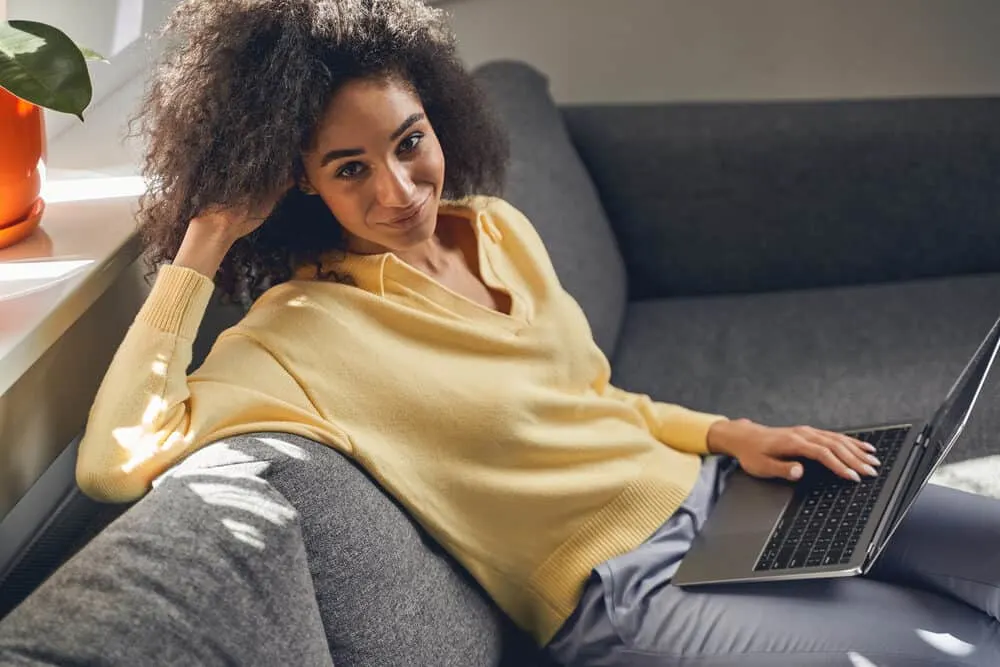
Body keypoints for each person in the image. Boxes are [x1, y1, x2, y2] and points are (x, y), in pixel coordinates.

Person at [78, 1, 1000, 664]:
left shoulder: (496, 229)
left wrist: (734, 434)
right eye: (350, 168)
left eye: (410, 141)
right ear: (298, 184)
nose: (399, 190)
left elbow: (595, 400)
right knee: (957, 646)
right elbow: (113, 459)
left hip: (724, 491)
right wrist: (202, 246)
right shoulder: (303, 335)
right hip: (631, 592)